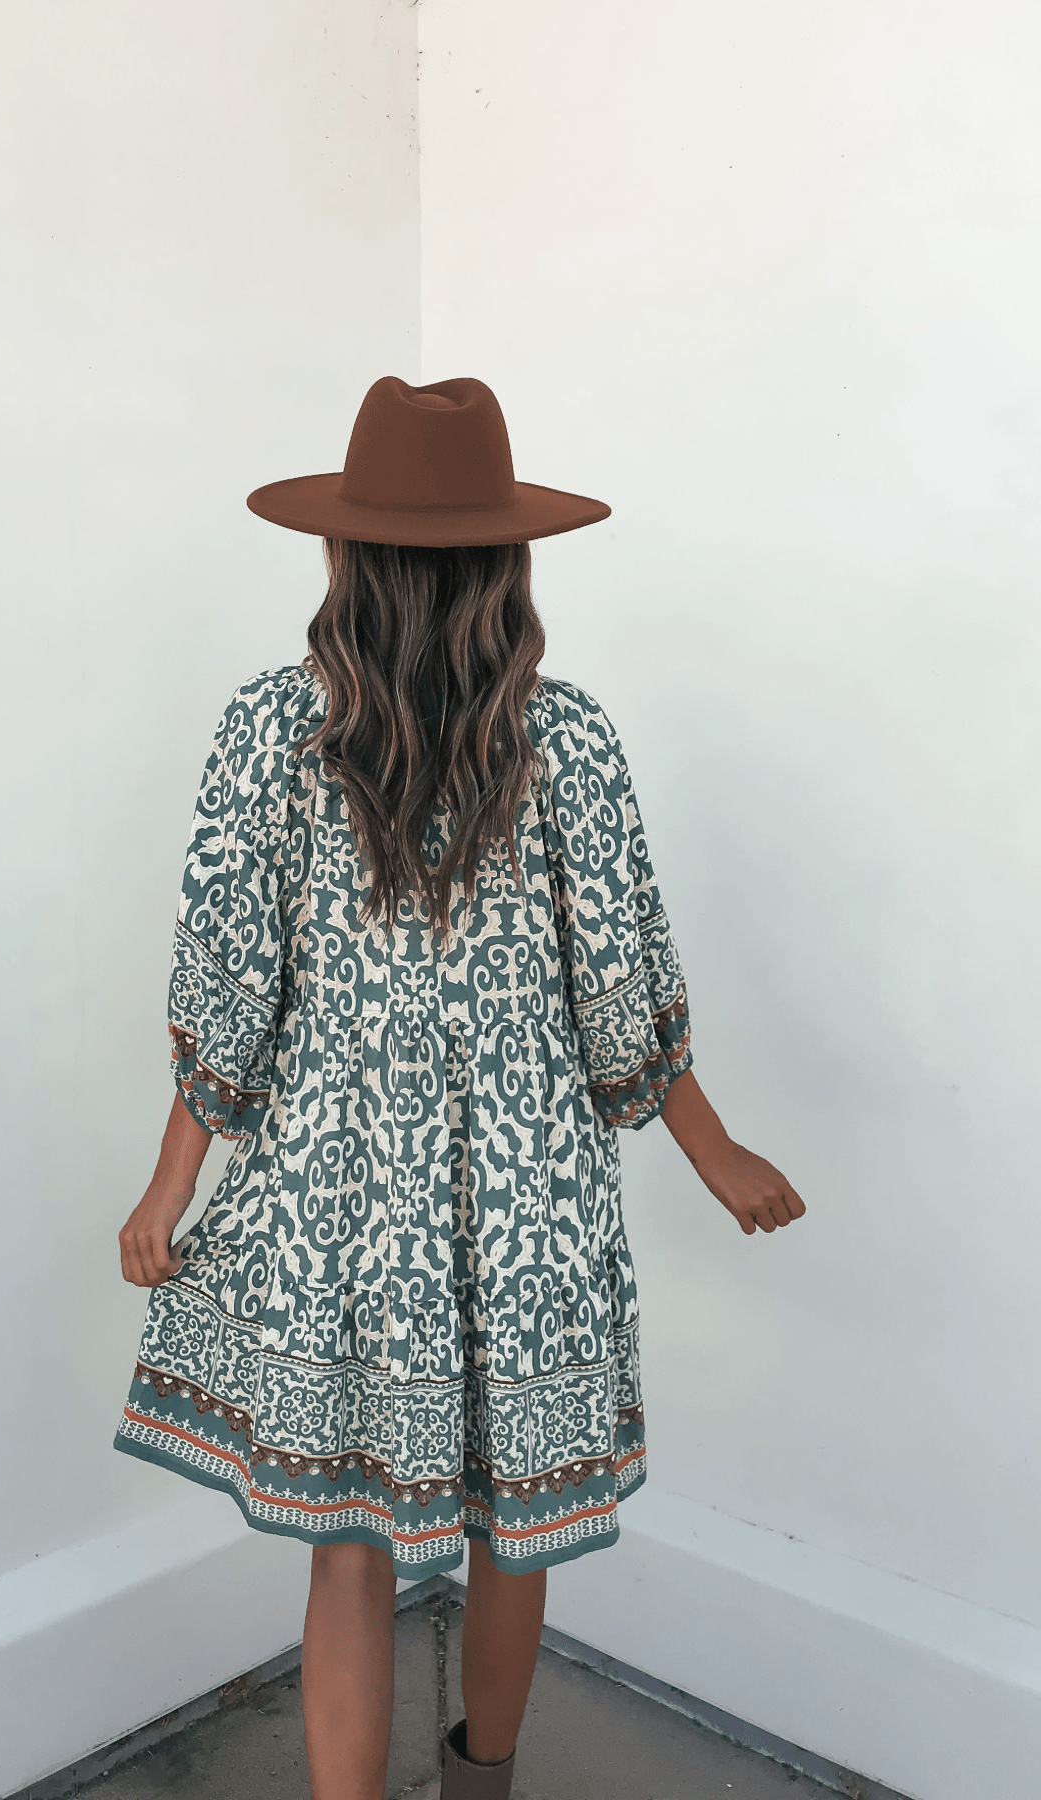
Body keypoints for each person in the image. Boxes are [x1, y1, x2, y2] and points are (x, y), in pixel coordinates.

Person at [114, 375, 806, 1800]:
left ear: (343, 556)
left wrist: (171, 1181)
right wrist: (712, 1146)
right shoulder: (573, 742)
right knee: (517, 1524)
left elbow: (230, 990)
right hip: (533, 1204)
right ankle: (482, 1781)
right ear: (508, 562)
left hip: (336, 1202)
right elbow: (620, 993)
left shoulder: (269, 731)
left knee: (349, 1541)